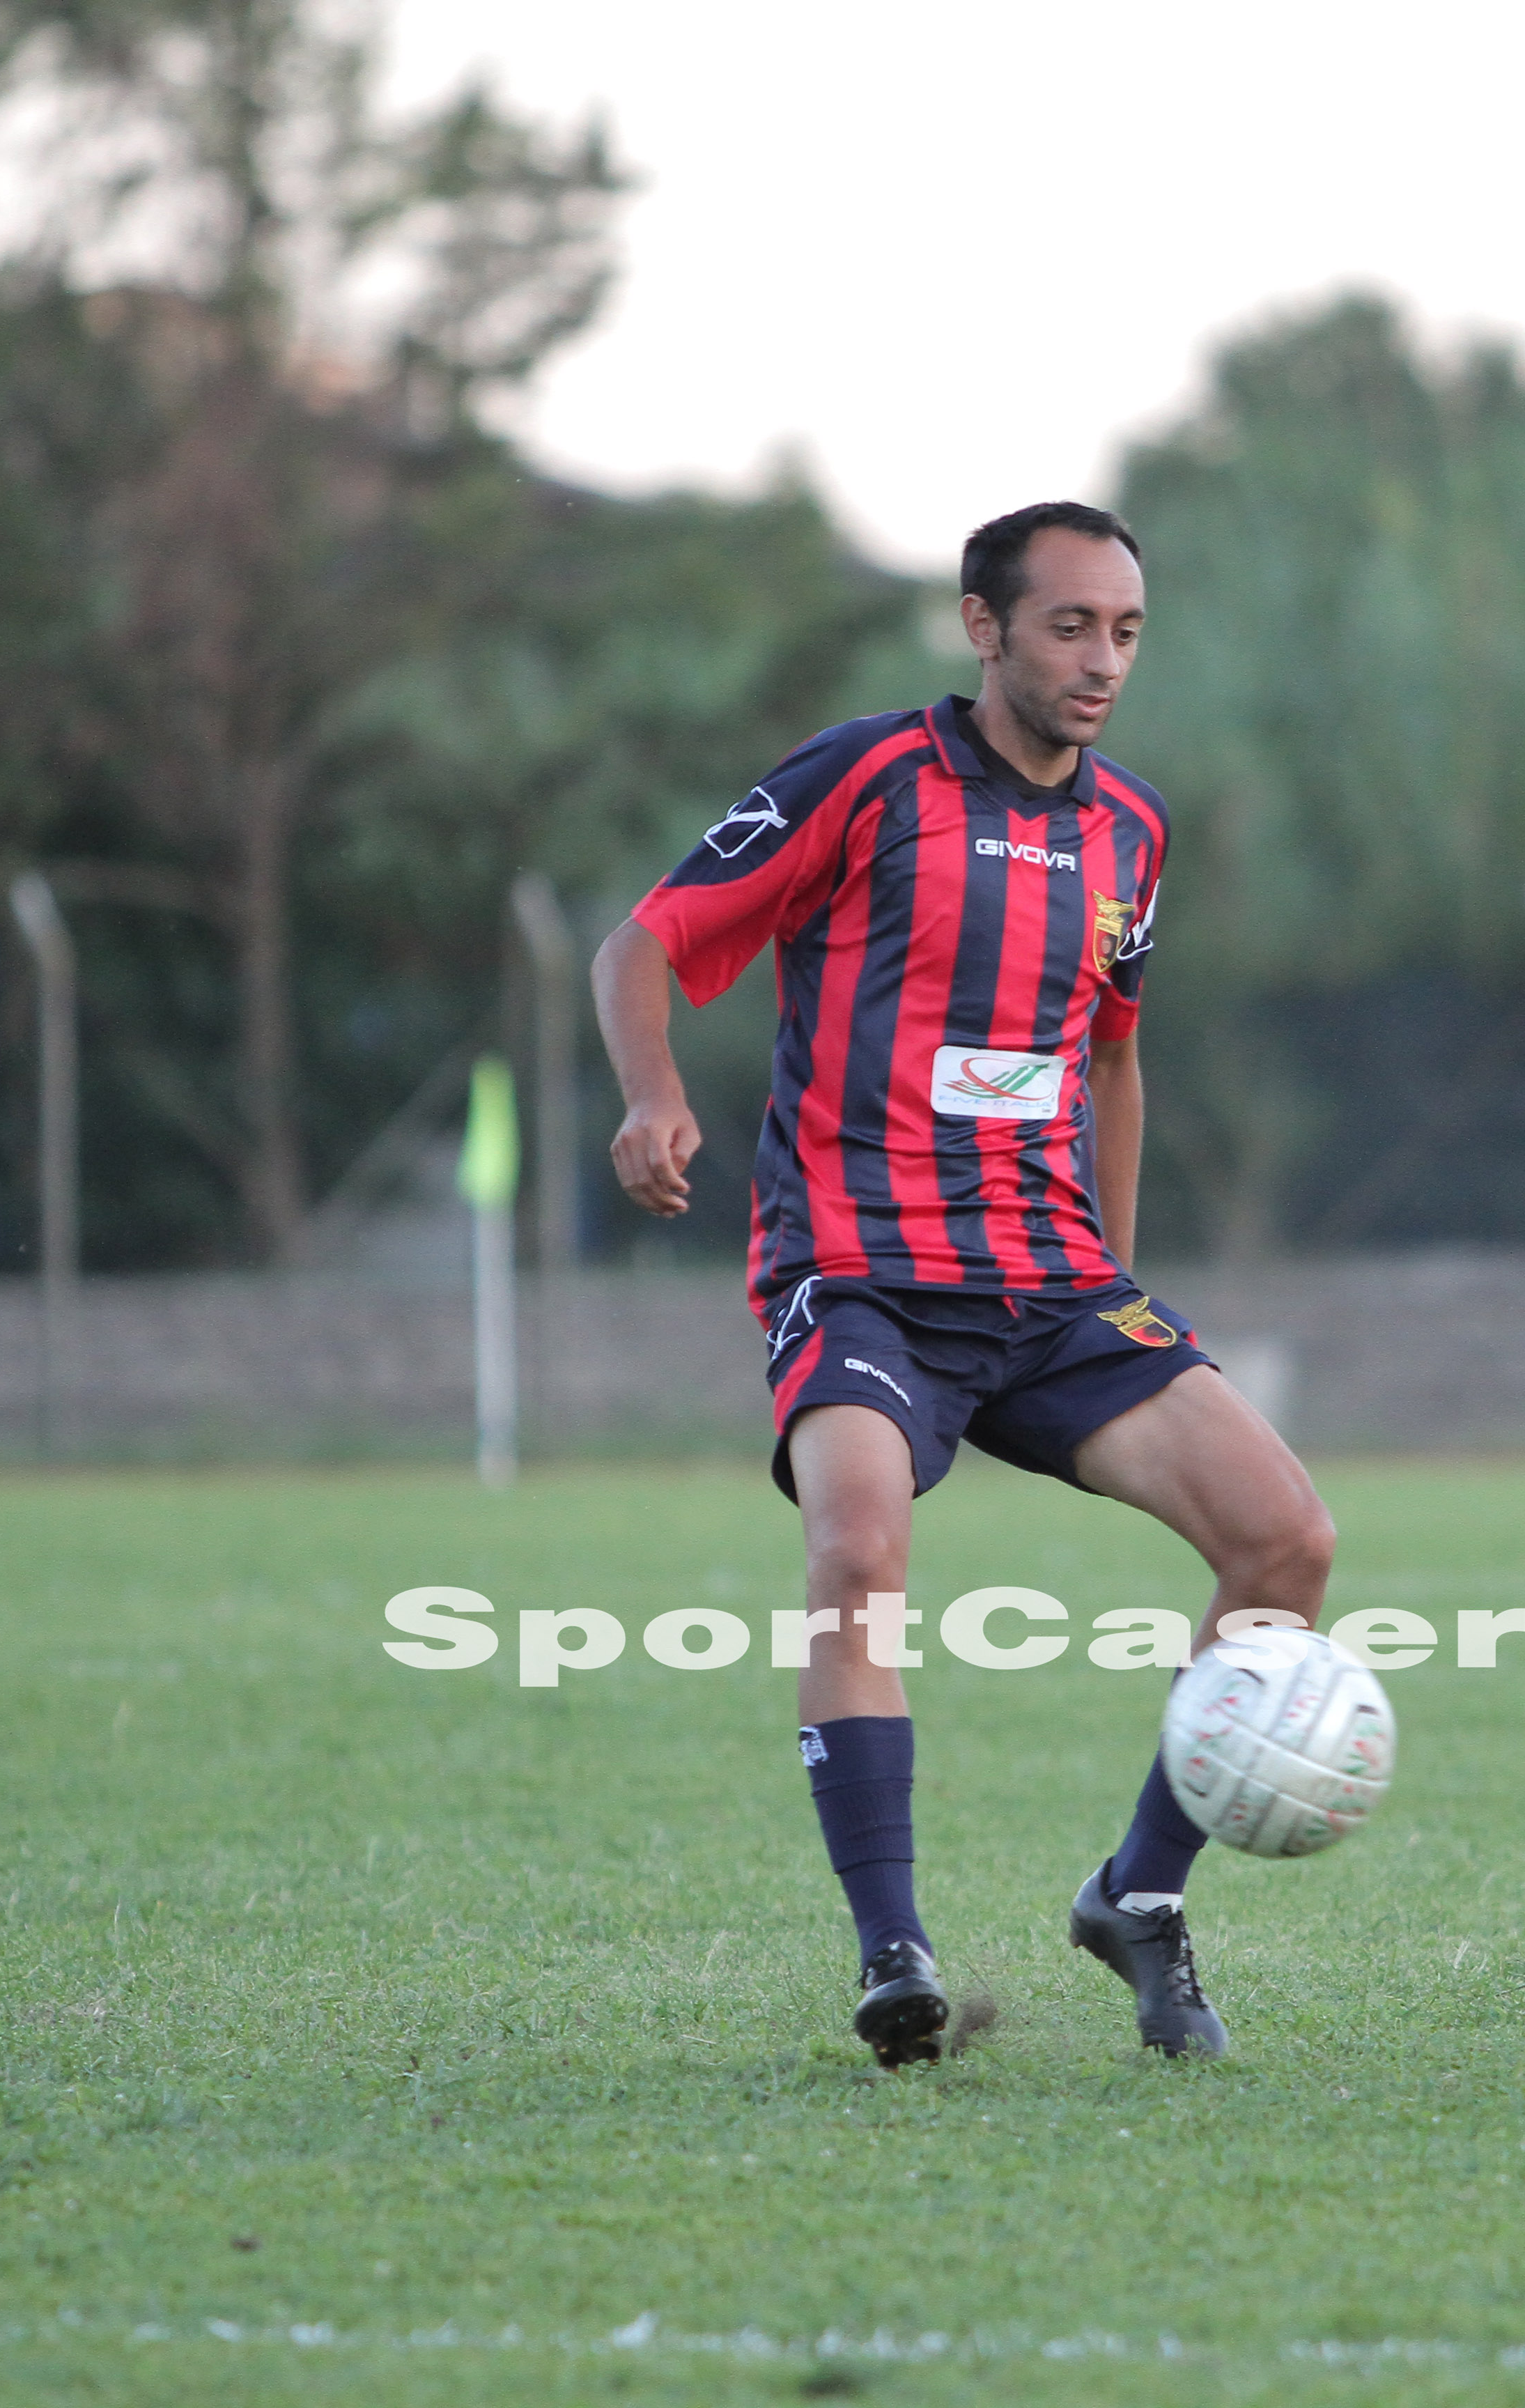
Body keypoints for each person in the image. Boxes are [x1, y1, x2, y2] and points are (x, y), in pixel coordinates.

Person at [593, 500, 1336, 2069]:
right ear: (983, 627)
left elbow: (1115, 1057)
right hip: (861, 1274)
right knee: (857, 1548)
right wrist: (655, 1093)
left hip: (1051, 1283)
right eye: (1071, 626)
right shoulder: (868, 779)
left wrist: (1116, 1272)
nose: (1103, 661)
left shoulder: (1132, 829)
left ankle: (1140, 1896)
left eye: (1127, 632)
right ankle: (893, 1956)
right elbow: (642, 945)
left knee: (1286, 1541)